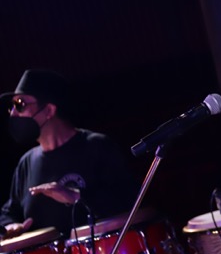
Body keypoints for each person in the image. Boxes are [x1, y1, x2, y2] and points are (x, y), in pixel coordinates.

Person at [0, 68, 141, 240]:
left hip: (103, 253)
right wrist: (10, 225)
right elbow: (9, 212)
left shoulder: (96, 146)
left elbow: (129, 201)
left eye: (20, 104)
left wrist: (76, 197)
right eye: (12, 107)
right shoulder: (27, 162)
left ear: (49, 110)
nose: (13, 113)